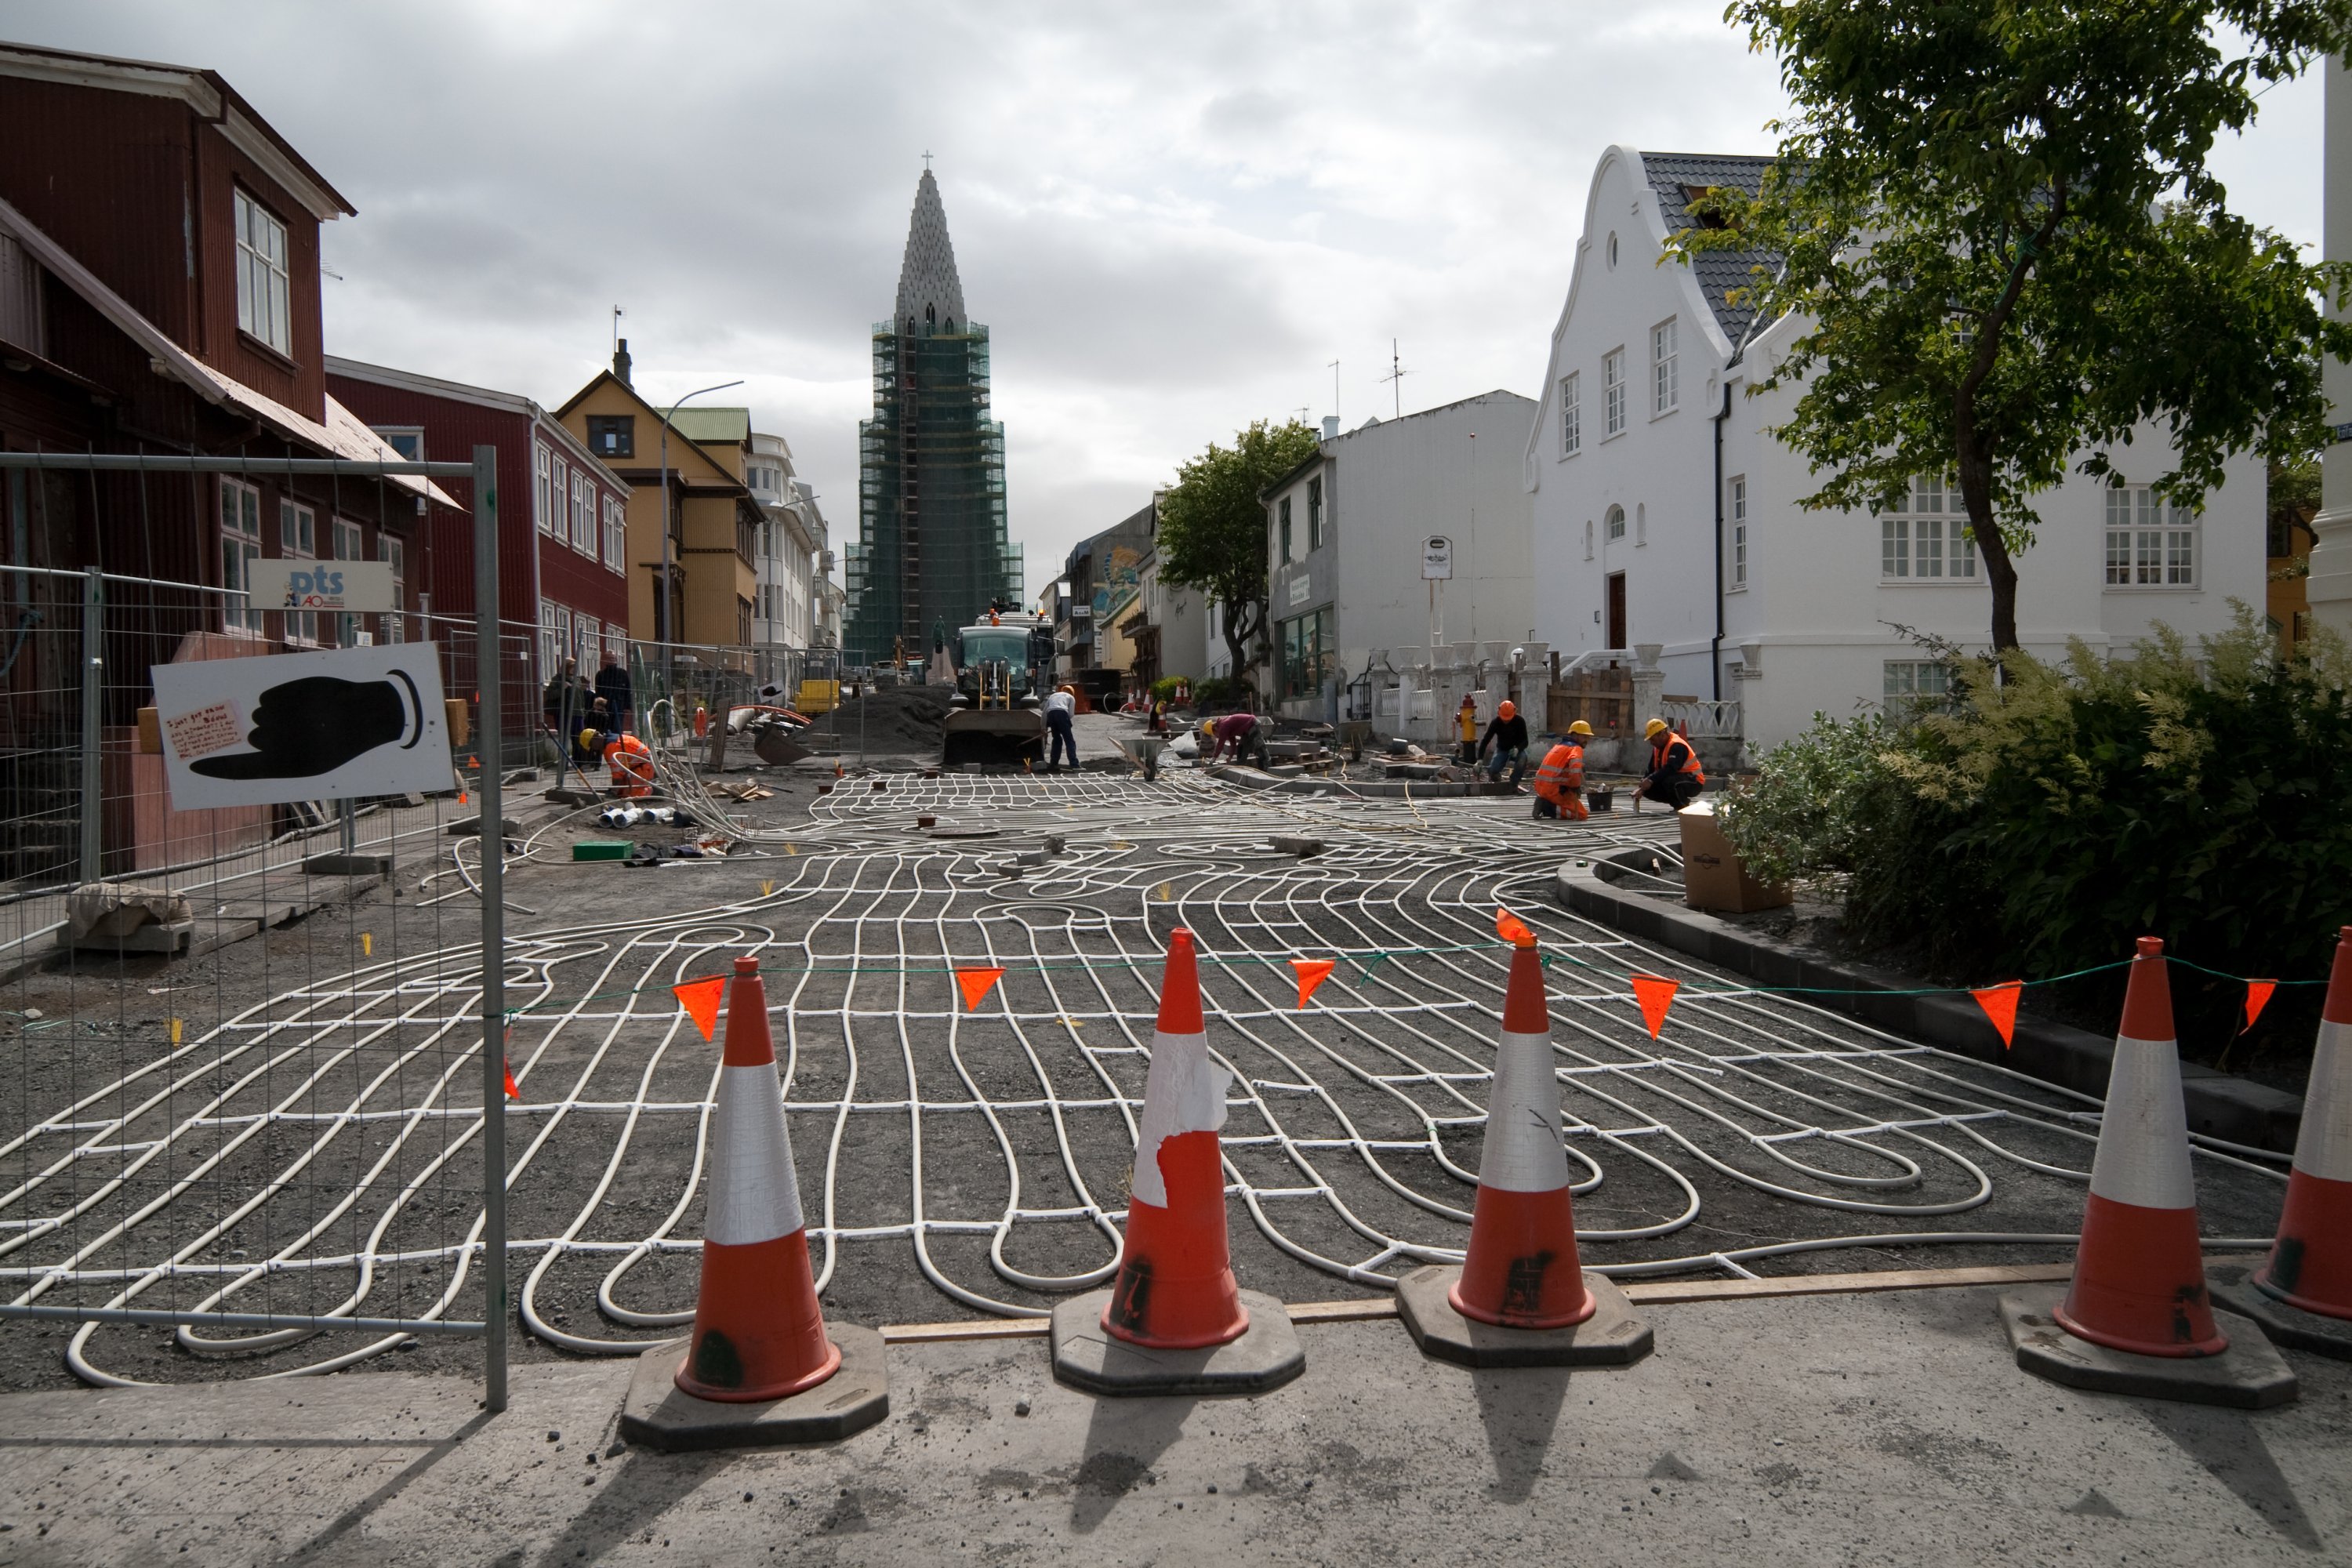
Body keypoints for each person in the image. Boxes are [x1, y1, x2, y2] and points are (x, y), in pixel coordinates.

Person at [1634, 717, 1706, 811]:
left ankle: (1682, 808)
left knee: (1669, 781)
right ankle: (1677, 801)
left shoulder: (1677, 745)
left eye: (1653, 739)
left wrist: (1651, 780)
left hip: (1694, 781)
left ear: (1662, 734)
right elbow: (1651, 769)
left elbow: (1671, 768)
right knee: (1648, 789)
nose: (1651, 743)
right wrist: (1642, 787)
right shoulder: (1657, 748)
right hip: (1678, 779)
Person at [1533, 720, 1593, 821]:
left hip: (1543, 787)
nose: (1587, 739)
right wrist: (1576, 787)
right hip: (1554, 790)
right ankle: (1547, 807)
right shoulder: (1576, 748)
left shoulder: (1559, 746)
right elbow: (1575, 771)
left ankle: (1545, 800)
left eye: (1588, 737)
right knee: (1581, 815)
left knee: (1576, 806)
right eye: (1584, 736)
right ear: (1575, 735)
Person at [1478, 699, 1530, 787]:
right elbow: (1485, 741)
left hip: (1517, 749)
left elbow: (1525, 741)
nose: (1506, 721)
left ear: (1514, 712)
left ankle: (1514, 782)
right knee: (1492, 770)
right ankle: (1496, 779)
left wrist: (1518, 749)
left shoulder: (1520, 721)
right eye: (1504, 719)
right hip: (1502, 749)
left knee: (1523, 758)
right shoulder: (1496, 723)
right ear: (1499, 712)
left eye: (1508, 719)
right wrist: (1479, 760)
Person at [1200, 712, 1269, 768]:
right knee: (1241, 747)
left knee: (1257, 746)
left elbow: (1220, 744)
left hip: (1253, 724)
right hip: (1246, 730)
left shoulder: (1223, 727)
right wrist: (1230, 757)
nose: (1216, 736)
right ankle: (1240, 766)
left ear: (1215, 729)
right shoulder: (1224, 727)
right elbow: (1233, 743)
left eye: (1214, 735)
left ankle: (1267, 765)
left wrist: (1214, 758)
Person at [604, 730, 655, 797]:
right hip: (637, 767)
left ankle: (653, 791)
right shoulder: (613, 739)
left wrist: (614, 791)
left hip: (644, 767)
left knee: (632, 794)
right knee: (621, 791)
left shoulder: (612, 747)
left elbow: (618, 772)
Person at [594, 652, 634, 735]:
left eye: (613, 658)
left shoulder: (622, 673)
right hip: (606, 705)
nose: (611, 660)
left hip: (619, 704)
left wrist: (628, 706)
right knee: (605, 727)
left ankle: (617, 744)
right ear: (605, 660)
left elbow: (628, 689)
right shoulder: (600, 674)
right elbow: (598, 691)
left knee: (618, 727)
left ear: (616, 660)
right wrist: (599, 705)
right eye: (609, 658)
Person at [1044, 682, 1078, 772]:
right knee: (1069, 740)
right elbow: (1071, 714)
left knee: (1057, 739)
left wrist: (1043, 727)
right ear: (1072, 693)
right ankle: (1074, 764)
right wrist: (1064, 723)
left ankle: (1053, 763)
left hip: (1051, 714)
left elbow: (1044, 712)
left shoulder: (1053, 695)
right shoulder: (1071, 697)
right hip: (1062, 714)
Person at [1455, 695, 1479, 766]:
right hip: (1469, 737)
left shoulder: (1467, 716)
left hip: (1468, 737)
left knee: (1469, 754)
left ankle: (1469, 764)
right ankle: (1470, 764)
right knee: (1470, 753)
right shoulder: (1469, 716)